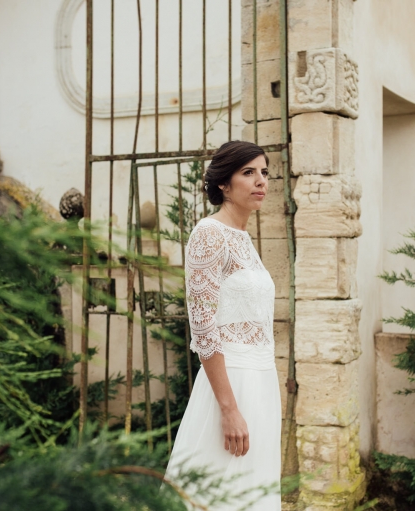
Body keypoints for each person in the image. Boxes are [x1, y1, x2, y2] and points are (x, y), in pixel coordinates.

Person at [165, 140, 281, 510]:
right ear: (223, 185)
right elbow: (203, 328)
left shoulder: (243, 239)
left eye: (264, 172)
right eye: (248, 172)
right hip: (232, 386)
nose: (261, 180)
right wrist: (229, 409)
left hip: (262, 382)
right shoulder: (208, 235)